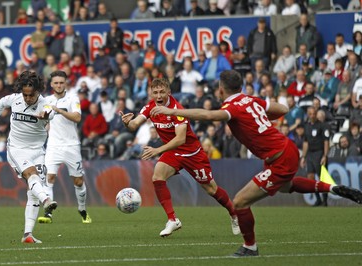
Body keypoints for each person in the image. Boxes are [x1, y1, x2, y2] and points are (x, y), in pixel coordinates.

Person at [150, 70, 362, 257]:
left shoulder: (232, 107)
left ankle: (250, 247)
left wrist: (173, 111)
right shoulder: (251, 100)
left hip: (278, 157)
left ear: (221, 90)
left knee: (241, 201)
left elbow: (208, 115)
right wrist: (259, 115)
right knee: (287, 186)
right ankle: (333, 188)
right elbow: (283, 109)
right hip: (286, 149)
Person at [120, 78, 240, 237]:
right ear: (151, 94)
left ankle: (234, 214)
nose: (158, 95)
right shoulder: (149, 107)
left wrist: (158, 150)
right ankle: (172, 220)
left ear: (168, 92)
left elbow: (180, 139)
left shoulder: (177, 109)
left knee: (211, 189)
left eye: (162, 91)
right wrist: (127, 123)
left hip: (192, 153)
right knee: (157, 176)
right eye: (155, 92)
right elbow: (135, 125)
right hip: (173, 152)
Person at [0, 71, 57, 244]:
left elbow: (50, 111)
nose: (27, 98)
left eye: (31, 95)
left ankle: (27, 234)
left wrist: (46, 114)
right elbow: (0, 104)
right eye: (25, 94)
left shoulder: (46, 103)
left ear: (38, 91)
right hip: (17, 149)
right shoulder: (14, 99)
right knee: (31, 175)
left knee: (33, 192)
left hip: (38, 151)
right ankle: (47, 199)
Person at [37, 71, 91, 224]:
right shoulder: (47, 100)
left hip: (71, 145)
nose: (59, 85)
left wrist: (59, 110)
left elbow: (77, 117)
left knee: (78, 181)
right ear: (51, 84)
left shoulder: (72, 98)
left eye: (61, 82)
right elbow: (43, 116)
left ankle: (82, 210)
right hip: (53, 145)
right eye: (56, 83)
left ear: (65, 83)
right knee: (49, 177)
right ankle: (48, 214)